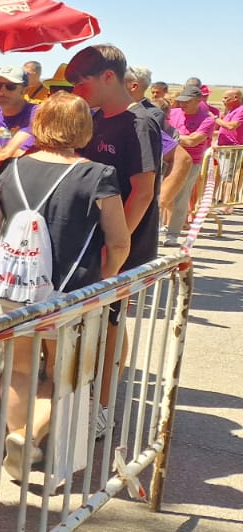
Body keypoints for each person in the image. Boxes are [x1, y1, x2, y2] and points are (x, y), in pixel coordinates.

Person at [0, 93, 129, 480]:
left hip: (16, 288)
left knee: (21, 370)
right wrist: (107, 281)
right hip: (71, 294)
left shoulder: (10, 170)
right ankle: (29, 437)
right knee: (68, 376)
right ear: (83, 128)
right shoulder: (99, 175)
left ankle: (17, 443)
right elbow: (119, 239)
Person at [64, 44, 163, 435]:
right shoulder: (93, 118)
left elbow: (143, 191)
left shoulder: (141, 123)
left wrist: (116, 244)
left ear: (109, 76)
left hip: (123, 247)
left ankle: (102, 409)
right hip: (93, 243)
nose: (76, 89)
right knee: (93, 325)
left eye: (81, 81)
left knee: (109, 326)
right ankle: (86, 397)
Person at [161, 79, 215, 244]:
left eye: (187, 102)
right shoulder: (175, 113)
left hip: (191, 162)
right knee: (161, 194)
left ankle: (173, 234)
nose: (182, 104)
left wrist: (172, 137)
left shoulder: (207, 120)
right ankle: (161, 226)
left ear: (199, 101)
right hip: (167, 158)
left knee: (181, 198)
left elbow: (193, 141)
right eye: (181, 101)